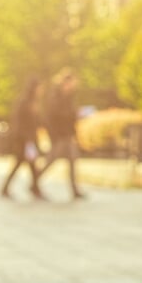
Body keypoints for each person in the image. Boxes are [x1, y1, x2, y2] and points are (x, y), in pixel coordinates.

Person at [39, 68, 85, 200]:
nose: (73, 87)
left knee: (72, 161)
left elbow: (70, 118)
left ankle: (75, 190)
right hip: (59, 135)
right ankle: (35, 182)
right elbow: (53, 117)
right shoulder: (55, 97)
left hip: (67, 135)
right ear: (65, 82)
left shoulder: (69, 97)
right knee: (51, 160)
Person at [0, 78, 46, 200]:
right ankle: (34, 189)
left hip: (29, 140)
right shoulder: (24, 102)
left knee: (28, 165)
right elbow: (20, 123)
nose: (42, 90)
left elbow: (36, 121)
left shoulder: (34, 102)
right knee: (27, 164)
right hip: (25, 140)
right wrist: (26, 140)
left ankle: (33, 188)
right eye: (40, 88)